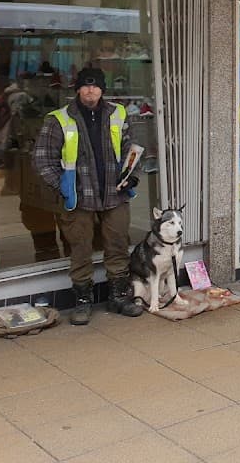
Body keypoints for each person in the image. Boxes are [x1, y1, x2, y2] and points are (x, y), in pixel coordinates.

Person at [34, 68, 143, 324]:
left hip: (114, 194)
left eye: (95, 86)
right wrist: (61, 186)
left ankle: (119, 296)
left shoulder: (118, 113)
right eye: (85, 86)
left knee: (117, 246)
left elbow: (133, 147)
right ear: (78, 90)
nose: (90, 90)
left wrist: (131, 175)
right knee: (80, 248)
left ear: (102, 89)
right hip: (79, 198)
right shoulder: (59, 119)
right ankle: (82, 301)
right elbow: (41, 159)